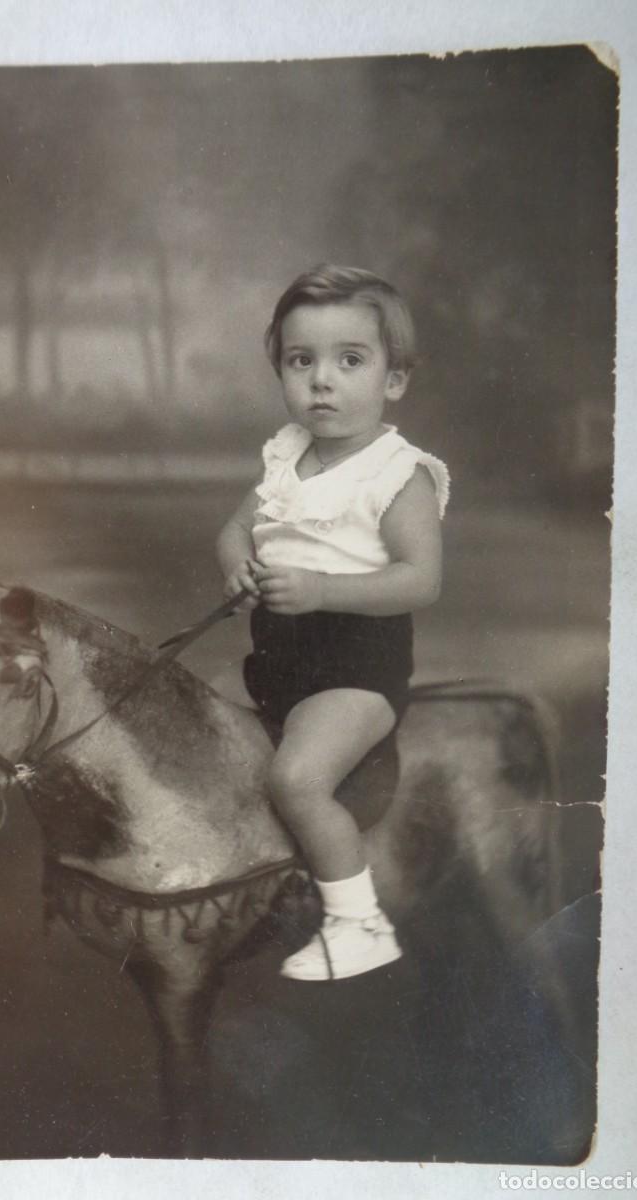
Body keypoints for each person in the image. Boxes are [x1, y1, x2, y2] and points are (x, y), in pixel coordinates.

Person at [216, 265, 449, 981]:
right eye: (301, 361)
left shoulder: (396, 474)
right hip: (277, 661)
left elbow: (421, 580)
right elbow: (235, 531)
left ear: (394, 380)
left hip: (355, 670)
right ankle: (246, 889)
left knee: (297, 778)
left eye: (350, 361)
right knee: (194, 729)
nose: (322, 381)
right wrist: (239, 567)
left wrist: (319, 587)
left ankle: (358, 923)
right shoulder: (287, 456)